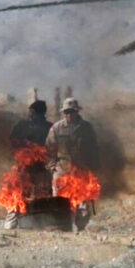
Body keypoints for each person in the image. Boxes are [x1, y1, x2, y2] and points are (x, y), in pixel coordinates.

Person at [46, 98, 100, 232]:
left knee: (82, 204)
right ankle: (63, 227)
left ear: (77, 112)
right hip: (62, 170)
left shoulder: (86, 128)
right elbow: (49, 148)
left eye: (72, 112)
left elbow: (93, 149)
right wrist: (52, 166)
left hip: (81, 171)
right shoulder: (57, 128)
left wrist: (93, 169)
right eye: (67, 112)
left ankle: (80, 228)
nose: (69, 115)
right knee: (61, 201)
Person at [4, 100, 54, 229]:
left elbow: (54, 146)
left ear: (40, 113)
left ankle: (39, 222)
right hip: (24, 165)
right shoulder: (22, 125)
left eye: (33, 112)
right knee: (18, 192)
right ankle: (14, 221)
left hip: (42, 166)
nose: (30, 114)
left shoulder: (49, 127)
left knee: (41, 195)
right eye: (30, 112)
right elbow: (12, 141)